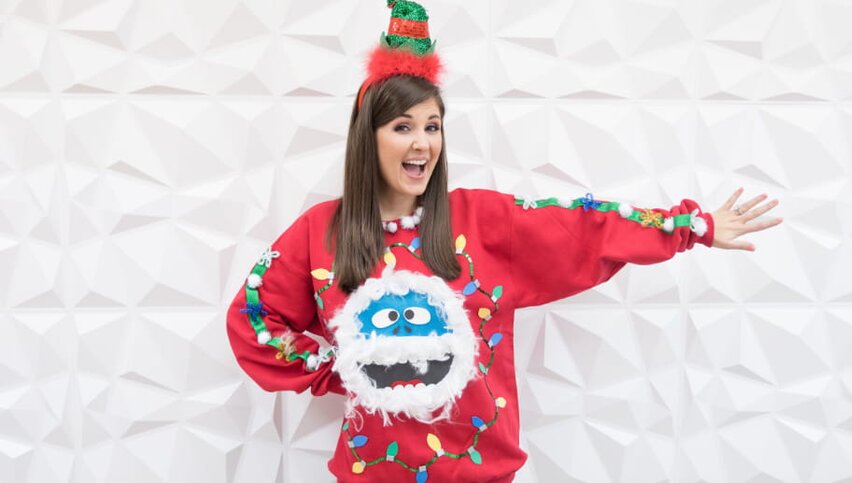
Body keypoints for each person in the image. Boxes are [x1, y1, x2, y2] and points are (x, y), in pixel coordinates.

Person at [226, 1, 783, 481]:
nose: (422, 142)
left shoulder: (482, 221)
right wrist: (341, 366)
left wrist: (690, 227)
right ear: (367, 137)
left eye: (432, 126)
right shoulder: (322, 232)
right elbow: (253, 318)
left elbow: (585, 225)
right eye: (402, 127)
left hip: (482, 473)